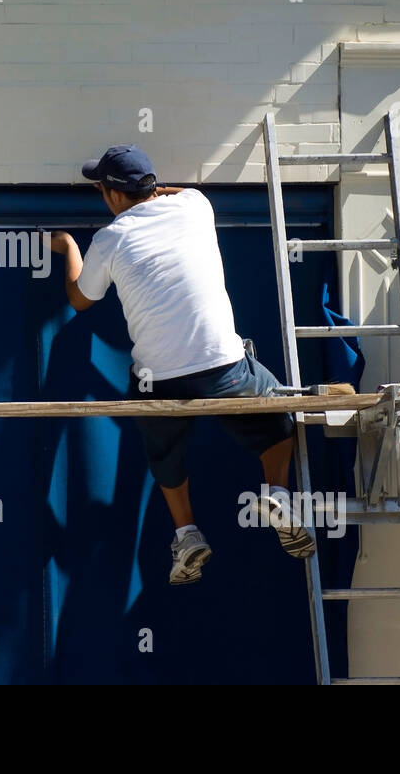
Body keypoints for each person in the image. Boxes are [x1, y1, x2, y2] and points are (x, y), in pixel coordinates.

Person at [47, 144, 316, 586]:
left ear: (113, 195)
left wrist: (68, 246)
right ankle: (278, 494)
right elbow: (181, 190)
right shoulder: (195, 205)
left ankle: (187, 533)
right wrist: (148, 190)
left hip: (159, 380)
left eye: (101, 188)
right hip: (223, 367)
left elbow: (80, 300)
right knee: (278, 410)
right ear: (153, 186)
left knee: (163, 449)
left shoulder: (110, 239)